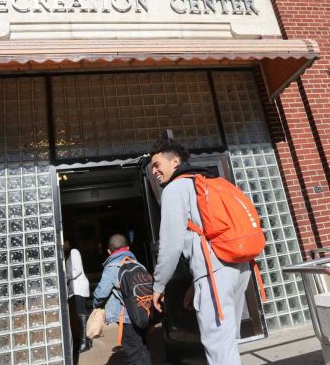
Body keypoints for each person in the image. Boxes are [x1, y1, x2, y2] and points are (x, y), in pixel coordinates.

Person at [149, 139, 251, 364]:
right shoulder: (208, 180)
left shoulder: (175, 188)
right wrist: (196, 284)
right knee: (228, 341)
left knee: (218, 345)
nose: (154, 171)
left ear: (175, 161)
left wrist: (158, 285)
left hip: (215, 272)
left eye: (157, 165)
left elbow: (170, 245)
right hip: (239, 264)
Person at [93, 234, 151, 365]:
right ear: (128, 248)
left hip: (125, 317)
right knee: (143, 348)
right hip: (142, 312)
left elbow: (101, 293)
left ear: (109, 252)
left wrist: (96, 304)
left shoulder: (112, 267)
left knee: (133, 354)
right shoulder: (138, 264)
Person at [63, 238, 92, 353]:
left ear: (69, 242)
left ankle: (84, 342)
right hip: (73, 288)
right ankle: (85, 340)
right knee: (78, 313)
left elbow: (77, 270)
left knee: (81, 313)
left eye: (65, 242)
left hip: (79, 285)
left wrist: (66, 277)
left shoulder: (74, 251)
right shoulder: (67, 255)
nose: (63, 244)